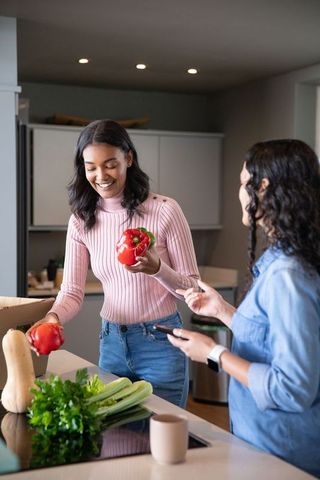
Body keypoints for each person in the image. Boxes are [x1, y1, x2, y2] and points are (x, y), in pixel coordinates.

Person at [168, 139, 320, 477]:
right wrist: (222, 310)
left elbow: (292, 388)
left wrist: (214, 354)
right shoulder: (281, 259)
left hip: (283, 455)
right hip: (262, 444)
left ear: (263, 187)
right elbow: (270, 340)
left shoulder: (289, 275)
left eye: (241, 183)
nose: (239, 192)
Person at [27, 119, 200, 407]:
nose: (100, 175)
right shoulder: (82, 221)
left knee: (163, 441)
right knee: (115, 443)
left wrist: (158, 269)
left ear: (128, 158)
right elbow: (71, 292)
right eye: (90, 166)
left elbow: (193, 288)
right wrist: (52, 318)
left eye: (110, 164)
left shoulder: (164, 211)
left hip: (161, 343)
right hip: (112, 342)